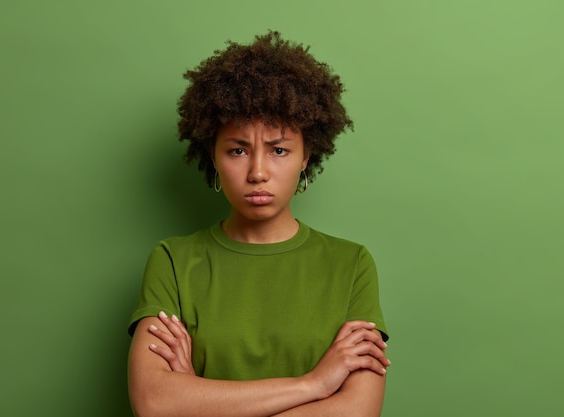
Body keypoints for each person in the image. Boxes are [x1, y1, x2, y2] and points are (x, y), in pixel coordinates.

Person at [127, 31, 390, 417]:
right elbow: (155, 404)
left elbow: (357, 411)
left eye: (279, 150)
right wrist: (313, 384)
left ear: (305, 157)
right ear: (213, 156)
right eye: (238, 150)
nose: (258, 172)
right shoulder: (172, 261)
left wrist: (199, 398)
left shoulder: (351, 265)